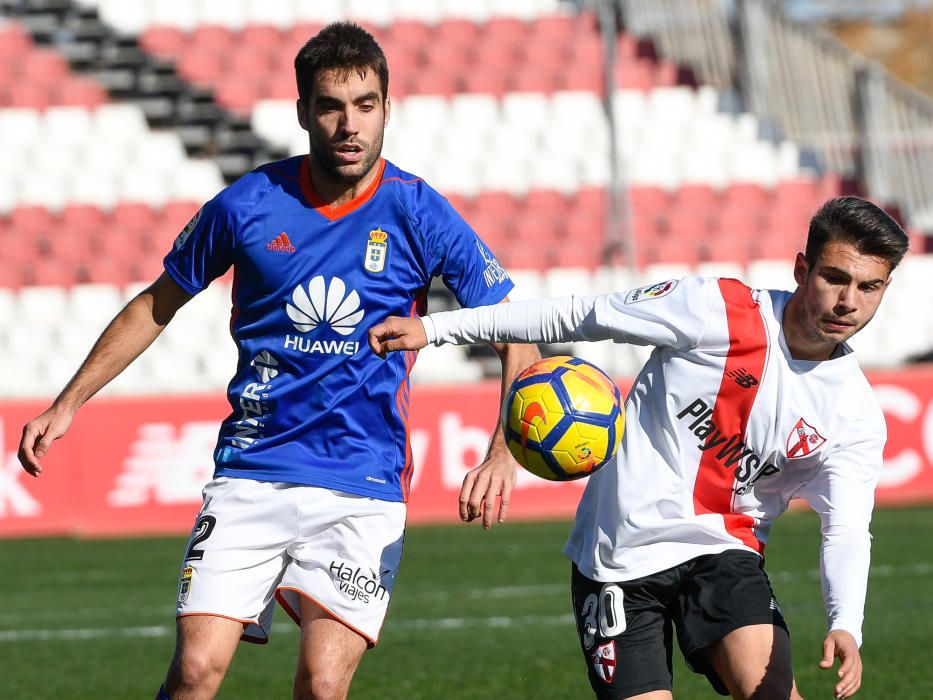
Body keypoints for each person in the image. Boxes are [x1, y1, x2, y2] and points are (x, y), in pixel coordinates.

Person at [18, 22, 538, 700]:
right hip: (251, 475)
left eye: (366, 104)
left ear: (385, 107)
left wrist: (503, 450)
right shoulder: (246, 205)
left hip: (362, 482)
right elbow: (157, 303)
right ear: (303, 113)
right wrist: (69, 401)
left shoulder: (418, 211)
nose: (349, 124)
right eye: (330, 106)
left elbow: (514, 331)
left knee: (322, 686)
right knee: (197, 671)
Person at [369, 195, 910, 700]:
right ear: (801, 270)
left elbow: (845, 527)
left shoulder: (855, 416)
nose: (848, 303)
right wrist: (436, 328)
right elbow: (580, 314)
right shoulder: (715, 309)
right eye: (835, 278)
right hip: (616, 559)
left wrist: (845, 624)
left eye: (870, 287)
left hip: (723, 555)